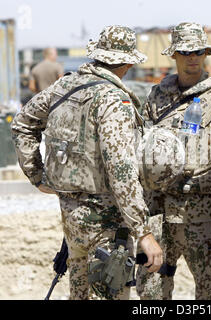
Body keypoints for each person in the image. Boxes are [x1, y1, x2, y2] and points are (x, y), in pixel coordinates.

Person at [11, 25, 163, 300]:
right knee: (110, 292)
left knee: (79, 292)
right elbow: (122, 171)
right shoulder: (113, 100)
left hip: (71, 214)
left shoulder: (64, 85)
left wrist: (37, 175)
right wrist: (143, 233)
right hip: (105, 220)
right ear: (128, 62)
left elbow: (22, 123)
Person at [136, 22, 211, 300]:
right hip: (158, 209)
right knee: (152, 290)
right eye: (185, 52)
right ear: (174, 55)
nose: (192, 57)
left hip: (204, 212)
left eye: (197, 51)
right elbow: (142, 147)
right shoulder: (157, 97)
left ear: (205, 54)